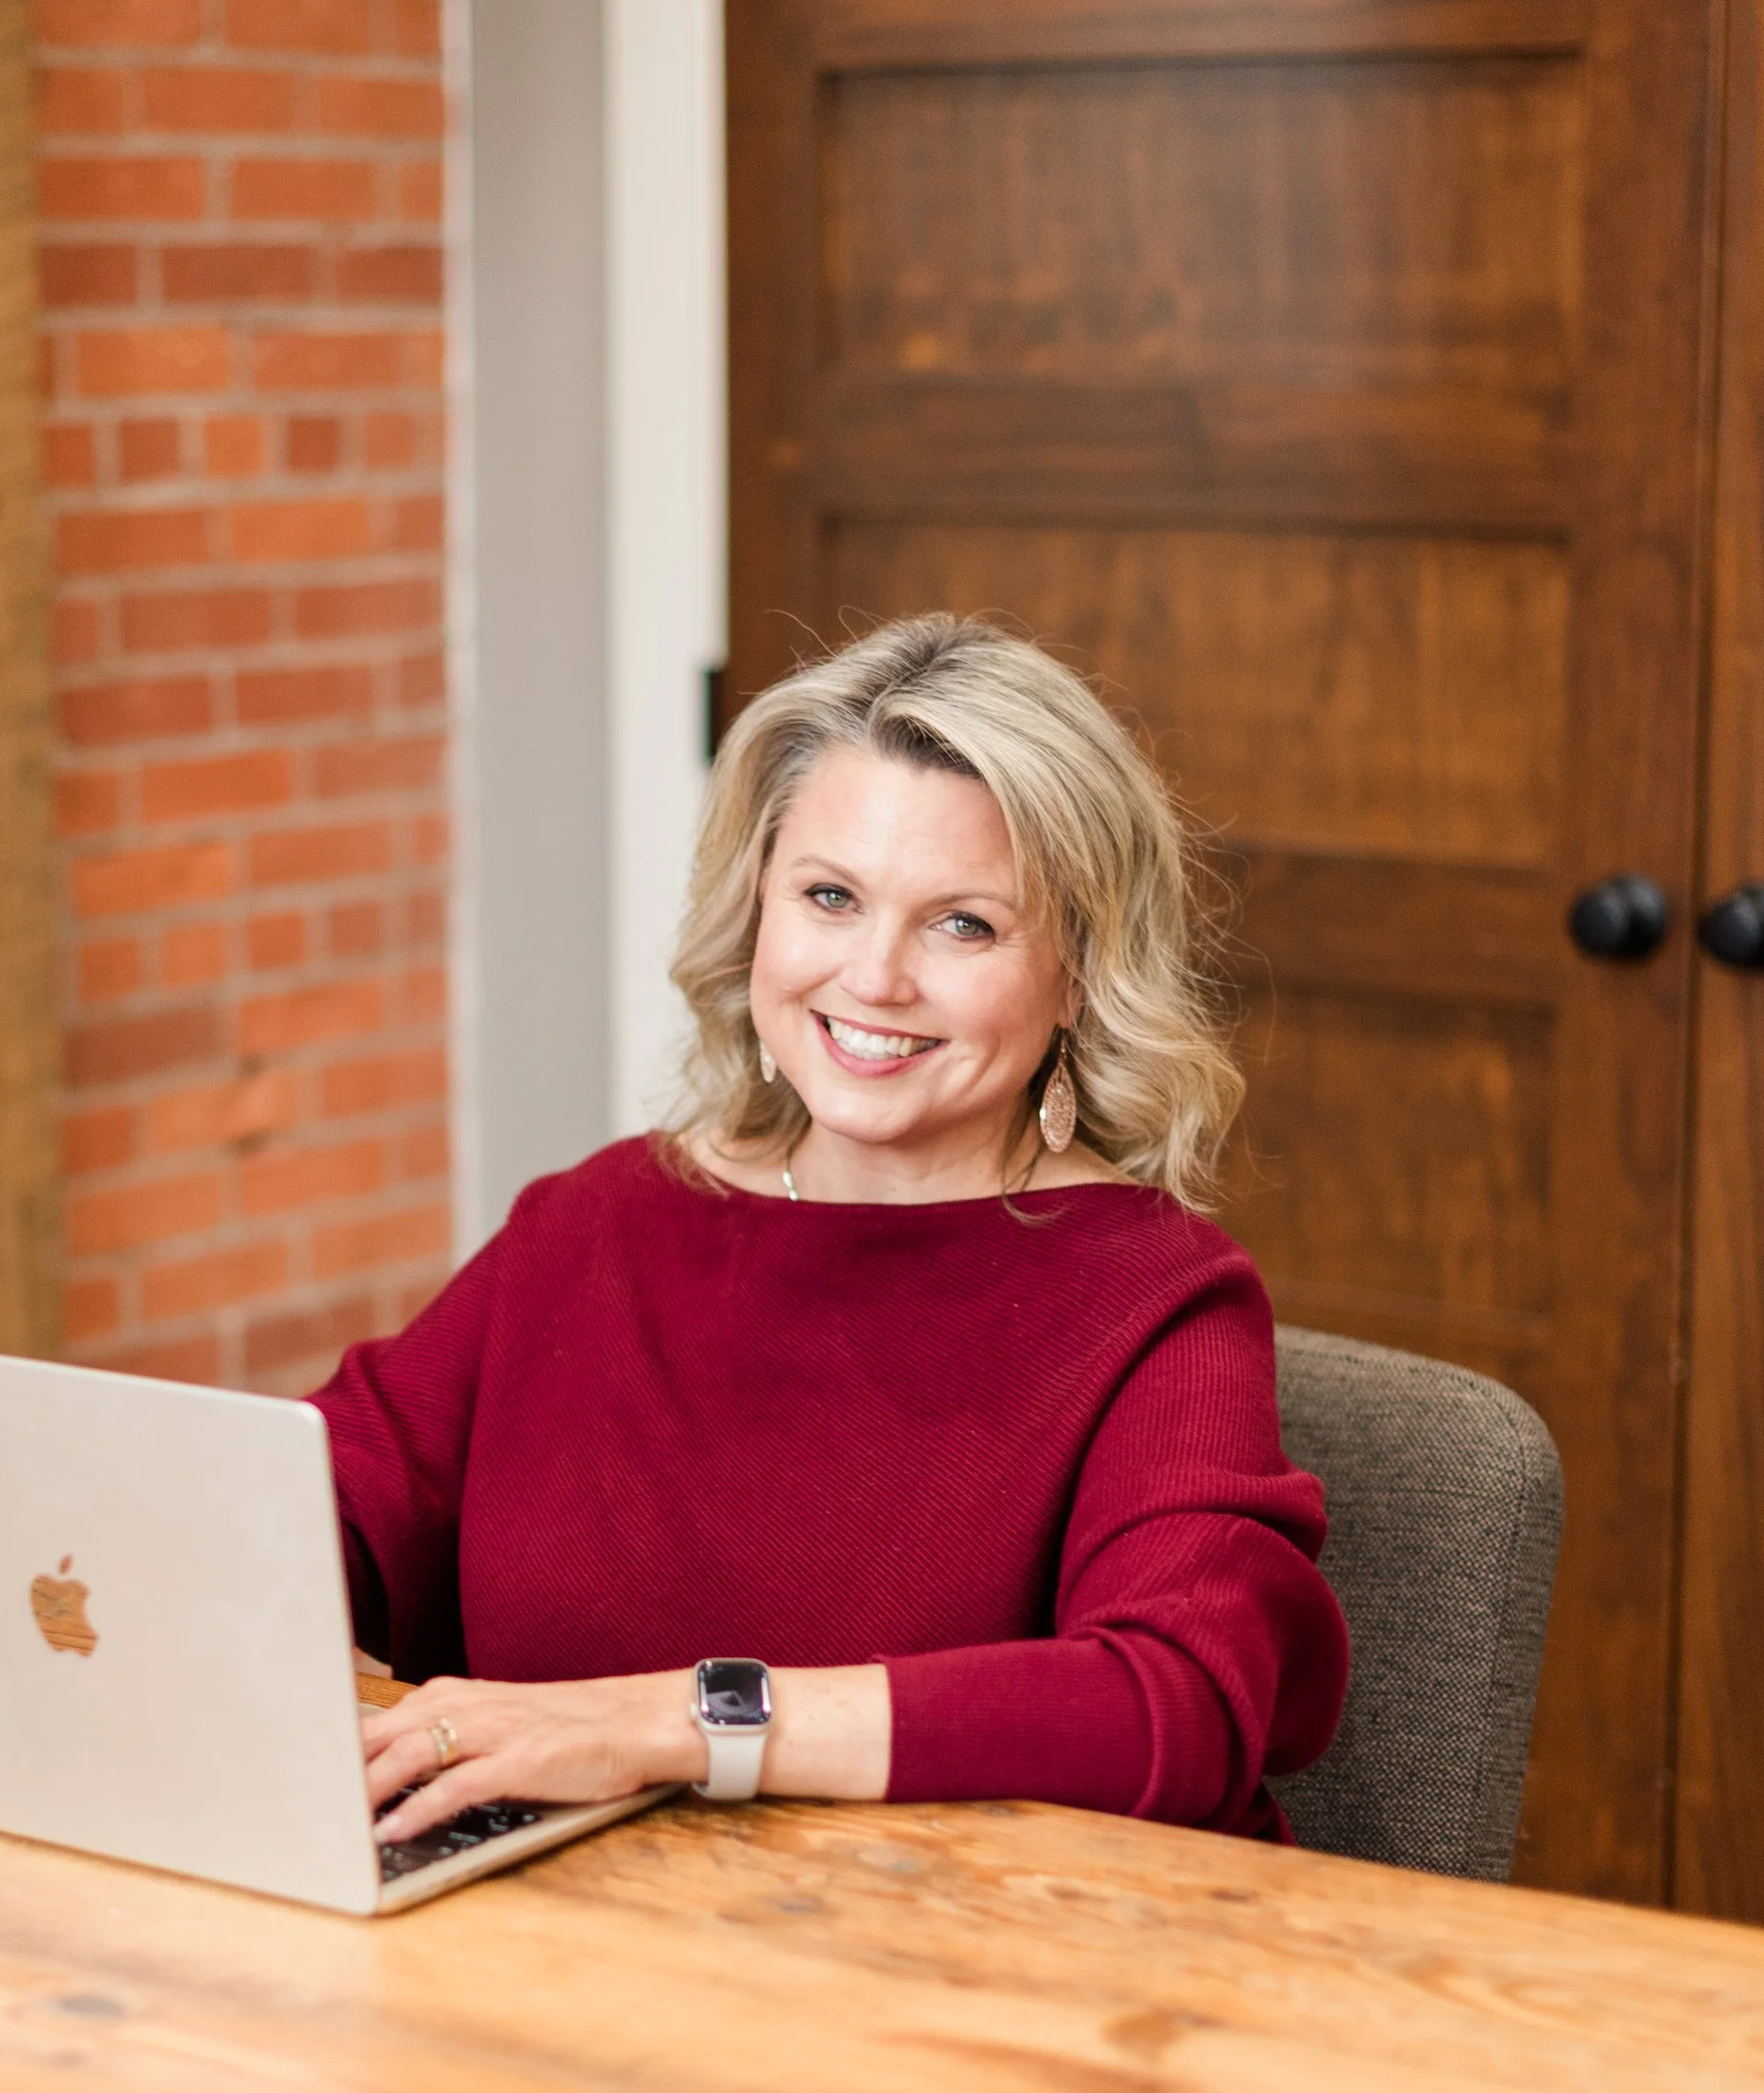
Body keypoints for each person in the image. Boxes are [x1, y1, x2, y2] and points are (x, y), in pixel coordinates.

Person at [316, 615, 1345, 1849]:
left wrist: (679, 1724)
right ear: (758, 911)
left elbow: (1173, 1708)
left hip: (967, 1986)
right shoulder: (592, 1227)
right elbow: (307, 1507)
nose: (874, 977)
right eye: (830, 897)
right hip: (570, 1951)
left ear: (1078, 971)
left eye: (963, 923)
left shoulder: (1159, 1297)